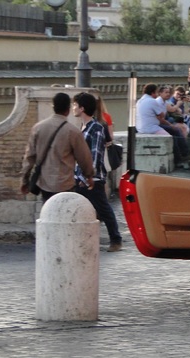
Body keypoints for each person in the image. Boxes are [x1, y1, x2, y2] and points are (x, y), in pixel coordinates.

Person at [20, 92, 94, 202]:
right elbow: (84, 157)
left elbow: (29, 157)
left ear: (53, 107)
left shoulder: (38, 128)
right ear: (68, 109)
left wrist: (24, 180)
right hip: (65, 183)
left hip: (44, 182)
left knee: (48, 213)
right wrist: (89, 176)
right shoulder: (73, 132)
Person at [72, 92, 123, 252]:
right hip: (81, 175)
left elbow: (95, 154)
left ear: (82, 108)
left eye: (75, 105)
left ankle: (116, 240)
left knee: (103, 209)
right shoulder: (84, 127)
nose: (73, 108)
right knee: (88, 209)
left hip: (92, 177)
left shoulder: (96, 128)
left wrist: (87, 176)